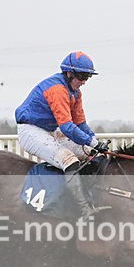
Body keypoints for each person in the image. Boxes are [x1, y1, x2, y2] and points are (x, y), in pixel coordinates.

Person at [15, 51, 109, 218]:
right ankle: (83, 210)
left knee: (91, 154)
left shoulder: (76, 92)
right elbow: (66, 127)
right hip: (30, 131)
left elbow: (80, 123)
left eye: (87, 77)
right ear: (69, 73)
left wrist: (94, 142)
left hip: (48, 131)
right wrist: (92, 142)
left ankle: (92, 199)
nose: (84, 81)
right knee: (70, 160)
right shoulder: (58, 89)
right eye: (81, 76)